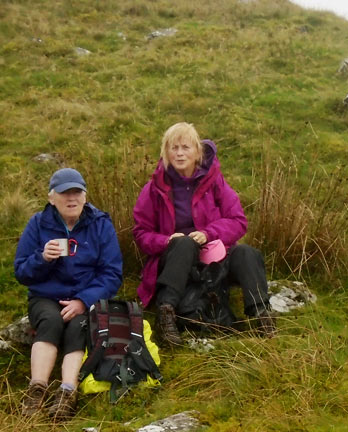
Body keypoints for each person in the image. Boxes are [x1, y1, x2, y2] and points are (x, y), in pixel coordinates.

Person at [133, 122, 275, 345]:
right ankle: (166, 315)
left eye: (185, 147)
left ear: (197, 152)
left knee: (247, 253)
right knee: (185, 244)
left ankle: (261, 315)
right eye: (173, 148)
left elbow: (238, 221)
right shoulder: (153, 189)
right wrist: (166, 240)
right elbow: (141, 233)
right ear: (165, 152)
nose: (179, 153)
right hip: (174, 263)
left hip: (213, 259)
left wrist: (208, 233)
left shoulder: (215, 182)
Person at [14, 168, 123, 420]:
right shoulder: (38, 224)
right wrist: (42, 258)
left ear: (85, 196)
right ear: (52, 198)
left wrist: (83, 301)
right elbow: (21, 272)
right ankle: (37, 389)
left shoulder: (100, 223)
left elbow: (112, 273)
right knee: (50, 321)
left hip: (85, 297)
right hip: (46, 297)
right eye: (65, 193)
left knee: (77, 328)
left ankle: (67, 391)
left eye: (77, 192)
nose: (71, 198)